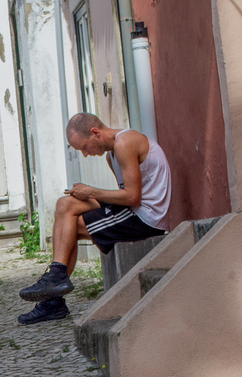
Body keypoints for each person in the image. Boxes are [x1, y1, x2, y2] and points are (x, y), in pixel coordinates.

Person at [18, 113, 171, 325]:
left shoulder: (125, 143)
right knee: (66, 205)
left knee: (74, 225)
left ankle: (53, 294)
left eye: (84, 147)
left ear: (95, 133)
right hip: (133, 210)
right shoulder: (112, 155)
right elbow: (124, 197)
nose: (85, 154)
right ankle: (55, 280)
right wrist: (89, 195)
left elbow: (132, 196)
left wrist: (91, 192)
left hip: (146, 218)